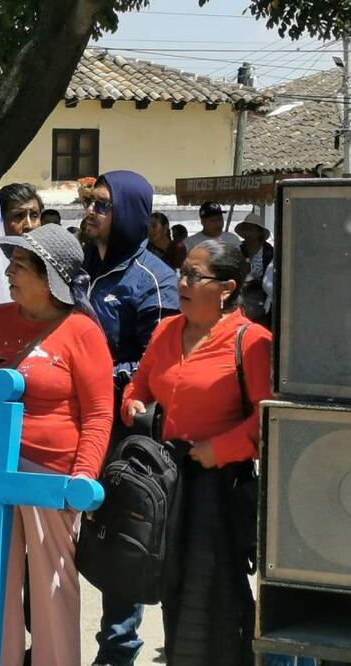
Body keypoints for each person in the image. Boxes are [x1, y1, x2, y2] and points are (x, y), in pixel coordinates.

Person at [0, 224, 114, 665]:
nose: (8, 272)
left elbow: (98, 414)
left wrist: (83, 477)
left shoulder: (82, 331)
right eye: (10, 263)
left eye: (20, 265)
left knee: (52, 586)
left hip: (50, 479)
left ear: (50, 278)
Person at [122, 241, 271, 665]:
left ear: (226, 288)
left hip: (219, 488)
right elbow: (140, 384)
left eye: (193, 275)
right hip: (167, 480)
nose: (181, 282)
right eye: (181, 272)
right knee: (173, 584)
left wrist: (219, 449)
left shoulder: (252, 341)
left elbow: (267, 419)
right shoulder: (167, 330)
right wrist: (132, 403)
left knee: (215, 592)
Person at [82, 171, 178, 666]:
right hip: (70, 422)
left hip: (125, 429)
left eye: (102, 205)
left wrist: (97, 372)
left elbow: (158, 362)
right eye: (89, 201)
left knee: (122, 540)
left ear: (130, 214)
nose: (90, 211)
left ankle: (117, 651)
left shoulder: (155, 280)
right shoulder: (76, 268)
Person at [236, 212, 274, 281]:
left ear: (259, 232)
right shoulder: (239, 249)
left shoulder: (269, 251)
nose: (247, 233)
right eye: (245, 229)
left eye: (250, 230)